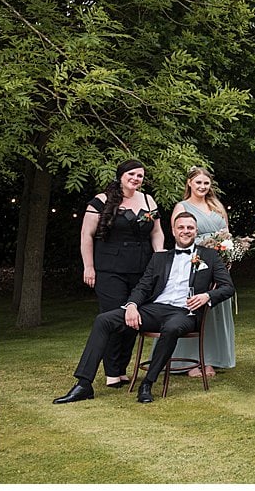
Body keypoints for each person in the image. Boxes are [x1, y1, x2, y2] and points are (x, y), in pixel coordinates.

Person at [54, 212, 234, 404]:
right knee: (104, 320)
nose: (185, 231)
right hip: (154, 309)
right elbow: (143, 286)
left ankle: (147, 383)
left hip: (185, 312)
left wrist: (207, 296)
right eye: (181, 227)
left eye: (190, 228)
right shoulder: (160, 258)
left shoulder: (210, 256)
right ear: (173, 231)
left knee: (172, 328)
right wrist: (131, 305)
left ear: (196, 231)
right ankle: (83, 384)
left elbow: (227, 287)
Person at [79, 159, 165, 389]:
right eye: (132, 174)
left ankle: (122, 368)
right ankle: (111, 372)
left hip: (142, 269)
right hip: (110, 269)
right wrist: (89, 266)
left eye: (140, 176)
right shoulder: (101, 200)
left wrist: (159, 257)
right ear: (121, 175)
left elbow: (156, 232)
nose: (136, 179)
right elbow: (87, 234)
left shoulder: (148, 200)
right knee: (114, 318)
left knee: (133, 320)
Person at [165, 167, 235, 377]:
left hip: (218, 263)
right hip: (194, 264)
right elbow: (180, 237)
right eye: (198, 183)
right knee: (194, 308)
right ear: (189, 183)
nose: (203, 187)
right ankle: (190, 361)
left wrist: (227, 255)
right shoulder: (181, 207)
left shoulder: (217, 207)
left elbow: (227, 235)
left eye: (206, 183)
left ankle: (212, 358)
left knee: (214, 310)